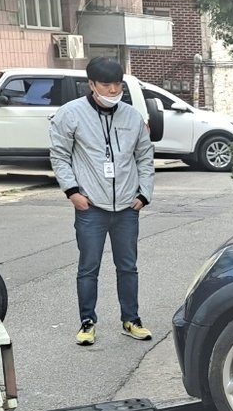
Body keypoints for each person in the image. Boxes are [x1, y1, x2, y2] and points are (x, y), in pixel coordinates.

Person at [50, 57, 155, 346]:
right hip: (91, 208)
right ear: (91, 85)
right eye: (106, 85)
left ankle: (131, 319)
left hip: (126, 207)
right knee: (88, 267)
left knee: (128, 266)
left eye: (117, 85)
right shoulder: (70, 114)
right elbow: (59, 156)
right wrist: (72, 192)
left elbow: (145, 157)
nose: (112, 90)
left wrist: (143, 193)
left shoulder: (132, 117)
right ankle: (87, 322)